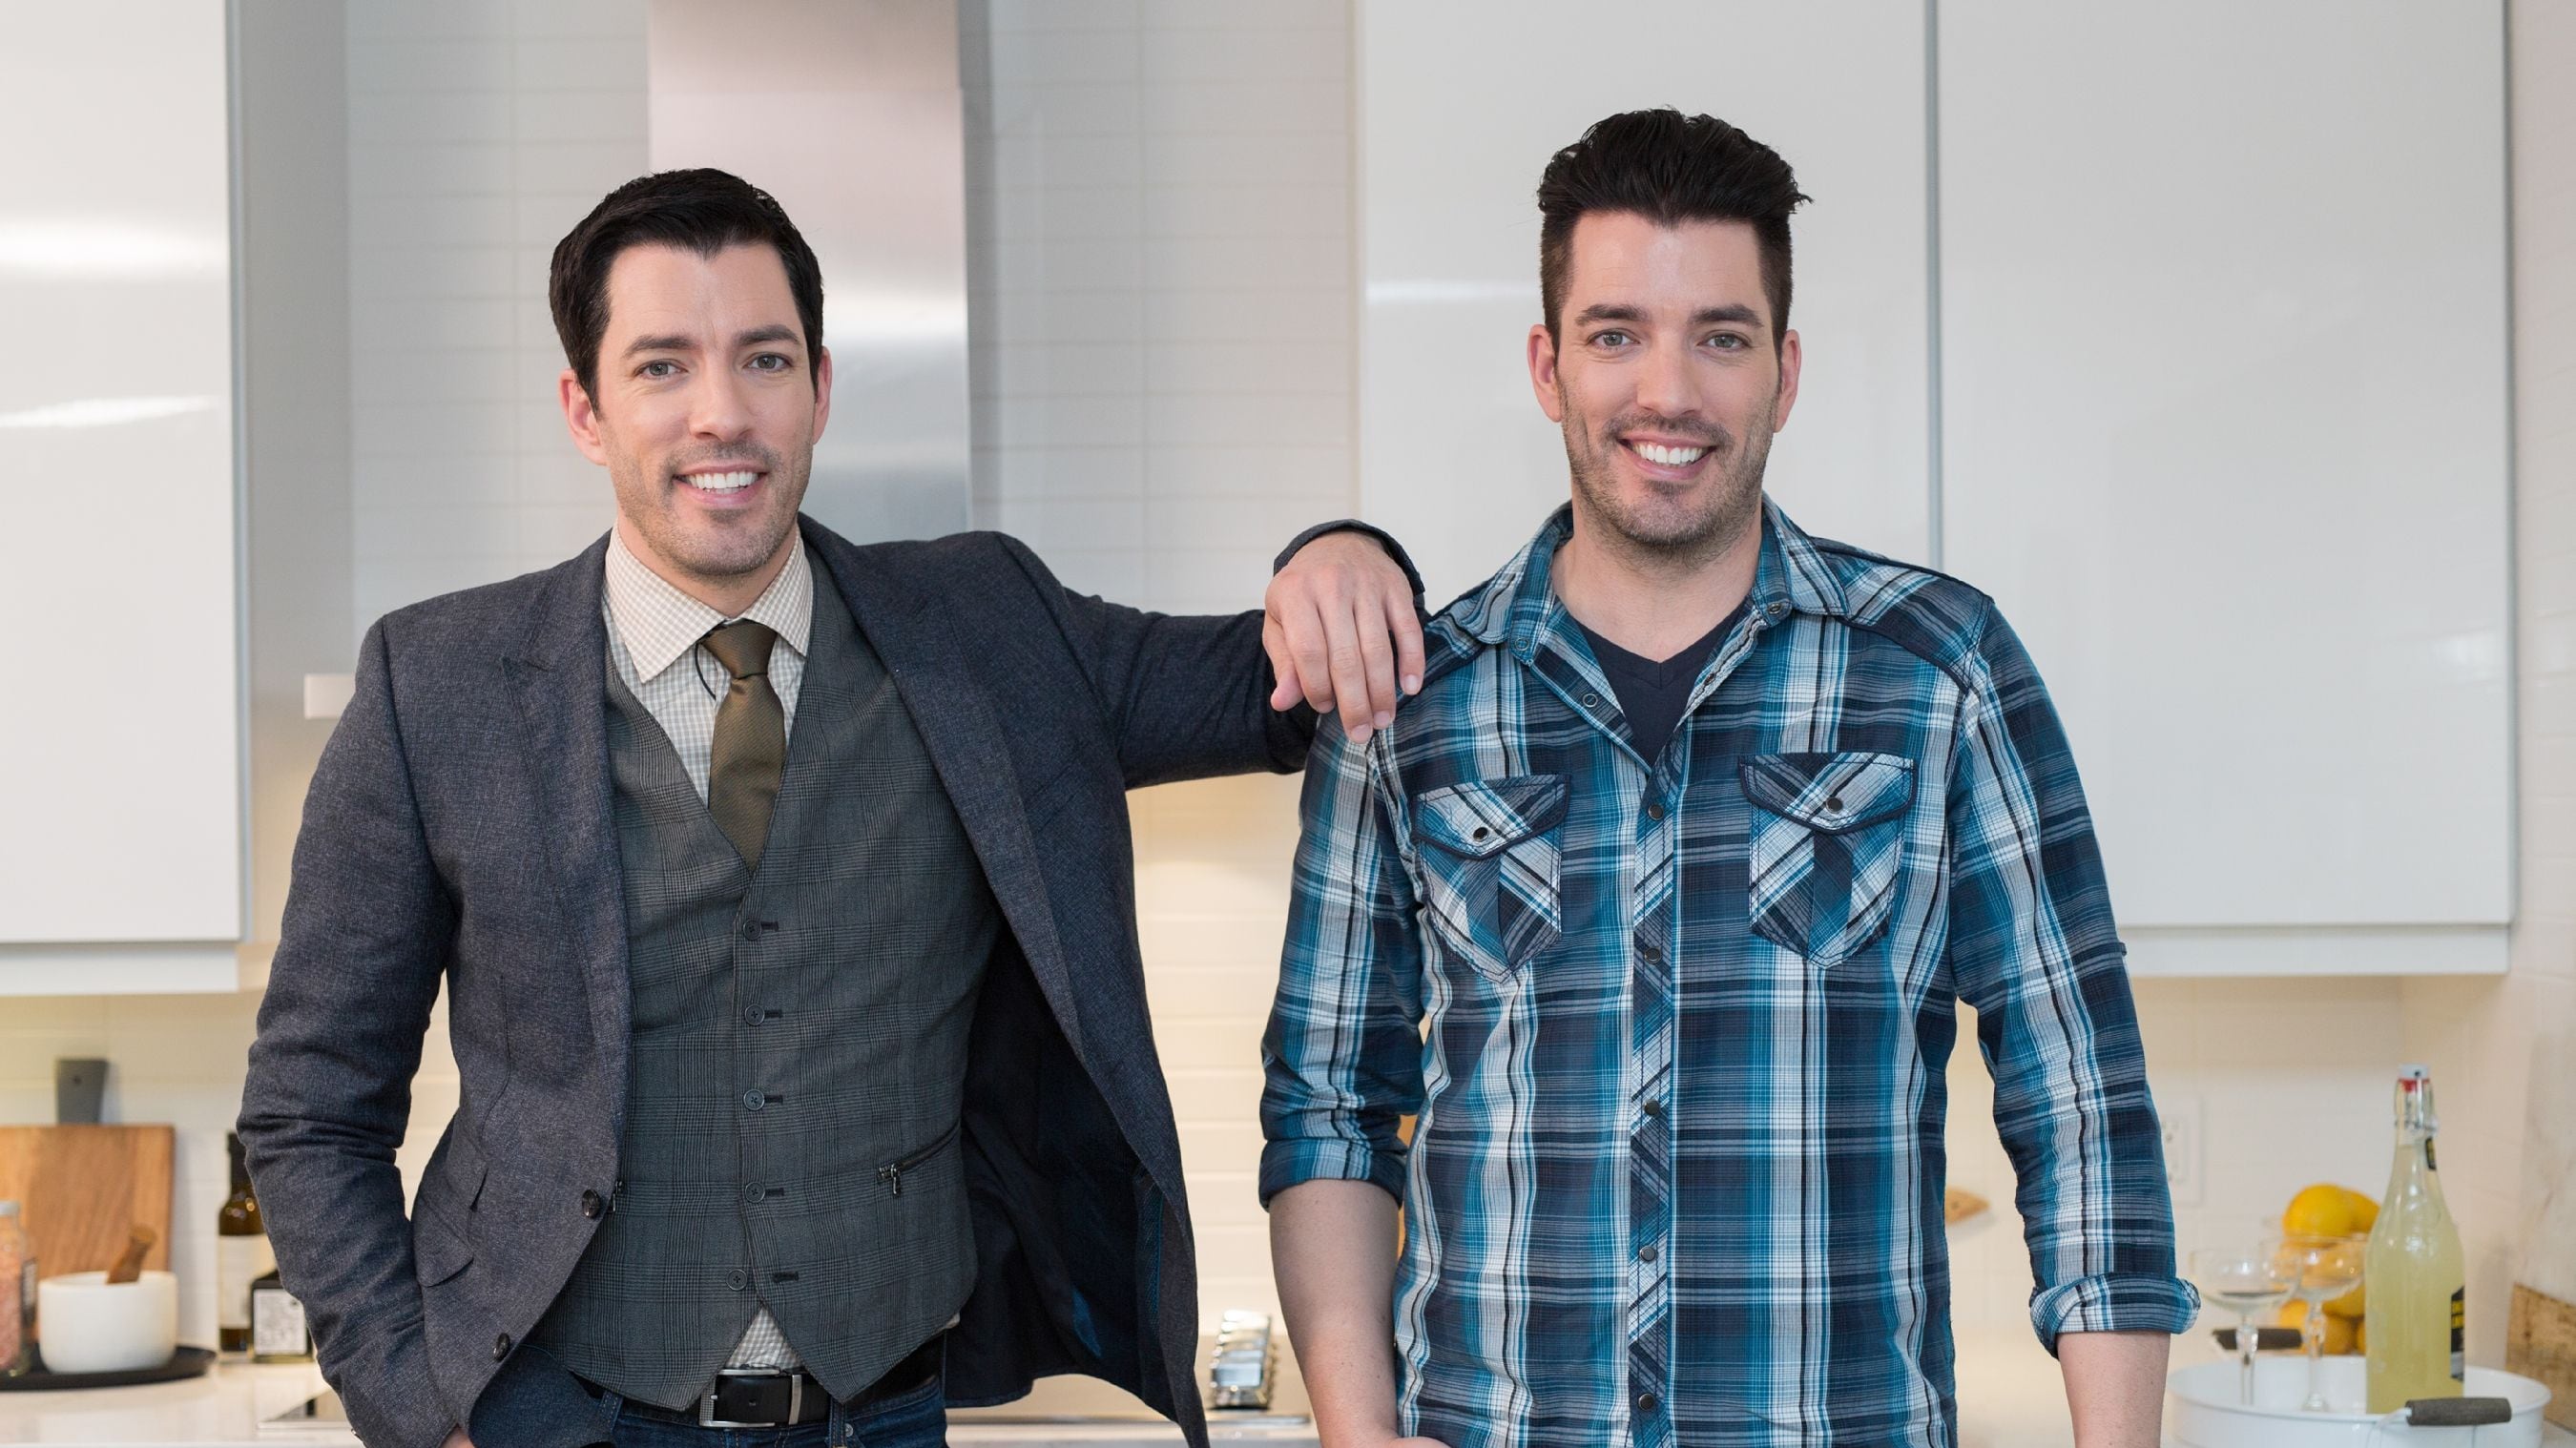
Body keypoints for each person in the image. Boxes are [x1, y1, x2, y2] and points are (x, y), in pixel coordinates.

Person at [238, 167, 1425, 1448]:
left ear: (819, 388)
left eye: (764, 358)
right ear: (585, 409)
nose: (723, 413)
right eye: (661, 367)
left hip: (884, 1415)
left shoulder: (989, 630)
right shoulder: (437, 685)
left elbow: (1281, 685)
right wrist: (419, 1408)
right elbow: (312, 1103)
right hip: (551, 1412)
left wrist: (1345, 553)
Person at [1260, 110, 2196, 1448]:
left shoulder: (1943, 672)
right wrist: (1357, 1431)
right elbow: (1330, 1106)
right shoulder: (1407, 698)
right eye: (1615, 334)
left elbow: (2080, 1093)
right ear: (1547, 367)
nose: (1669, 392)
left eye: (1721, 336)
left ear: (1784, 370)